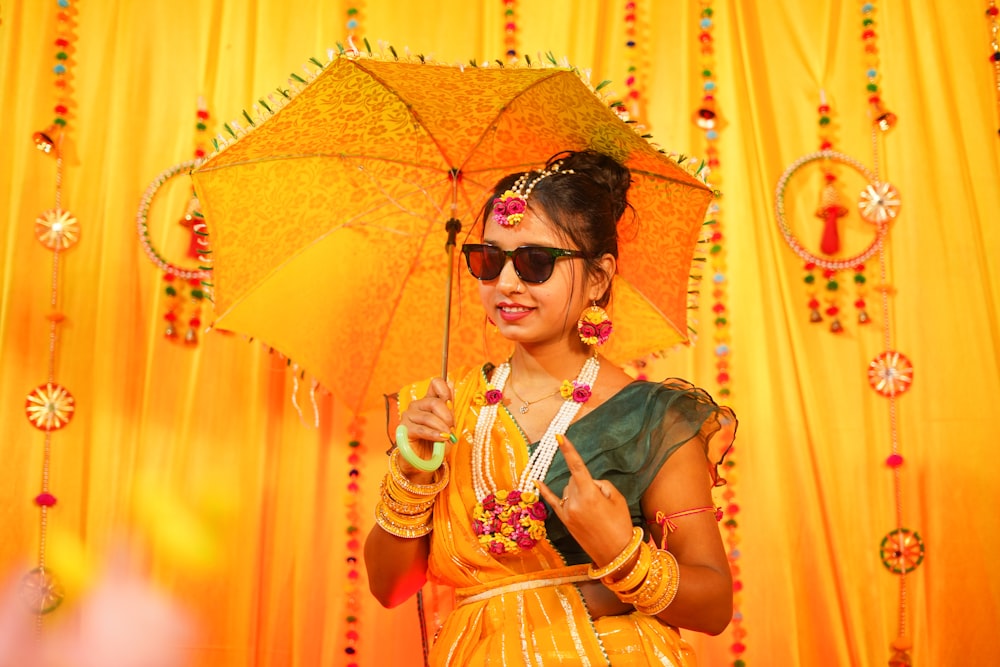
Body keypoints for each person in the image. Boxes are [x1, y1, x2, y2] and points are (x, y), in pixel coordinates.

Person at [364, 149, 737, 666]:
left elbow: (714, 605)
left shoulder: (653, 417)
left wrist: (620, 553)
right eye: (489, 260)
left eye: (536, 263)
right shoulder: (448, 410)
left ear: (600, 276)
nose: (507, 284)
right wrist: (412, 473)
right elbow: (390, 587)